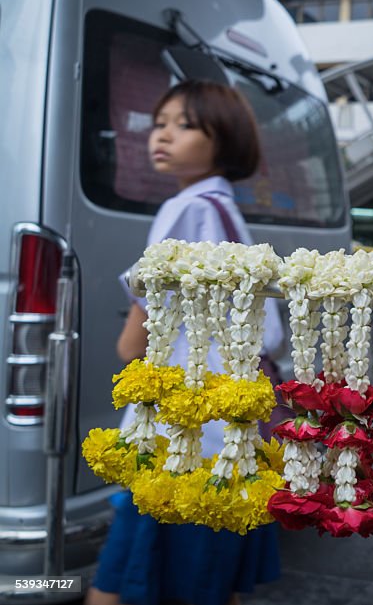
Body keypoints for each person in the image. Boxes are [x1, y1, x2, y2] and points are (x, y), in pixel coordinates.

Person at [87, 80, 283, 605]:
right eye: (160, 122)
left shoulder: (186, 210)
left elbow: (134, 344)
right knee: (209, 576)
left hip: (184, 433)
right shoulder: (223, 209)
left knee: (122, 574)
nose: (164, 135)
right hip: (226, 430)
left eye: (185, 124)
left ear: (224, 139)